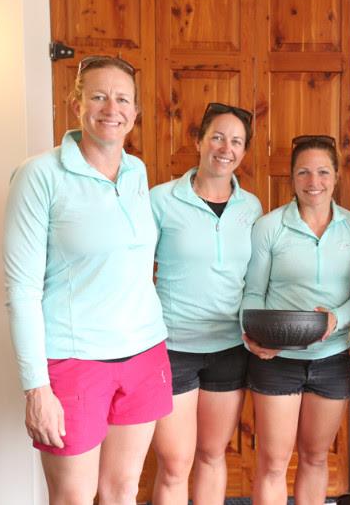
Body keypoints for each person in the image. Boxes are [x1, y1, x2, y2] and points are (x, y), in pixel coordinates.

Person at [3, 55, 172, 504]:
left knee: (122, 492)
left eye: (122, 99)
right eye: (97, 95)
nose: (110, 108)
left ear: (134, 112)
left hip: (144, 352)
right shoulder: (38, 176)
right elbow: (22, 290)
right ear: (75, 102)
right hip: (76, 361)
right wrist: (36, 387)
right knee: (75, 497)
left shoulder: (136, 172)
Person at [241, 135, 350, 505]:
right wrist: (250, 333)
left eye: (323, 172)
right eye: (304, 172)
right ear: (292, 177)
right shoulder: (269, 227)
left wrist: (337, 318)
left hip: (332, 360)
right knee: (273, 462)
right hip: (276, 361)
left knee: (314, 458)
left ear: (337, 175)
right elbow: (252, 292)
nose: (314, 182)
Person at [148, 102, 261, 504]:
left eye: (236, 141)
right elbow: (135, 269)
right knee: (175, 463)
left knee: (213, 455)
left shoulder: (252, 208)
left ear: (243, 152)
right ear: (198, 141)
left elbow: (253, 280)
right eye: (217, 137)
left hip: (229, 348)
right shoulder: (160, 200)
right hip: (171, 348)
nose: (225, 148)